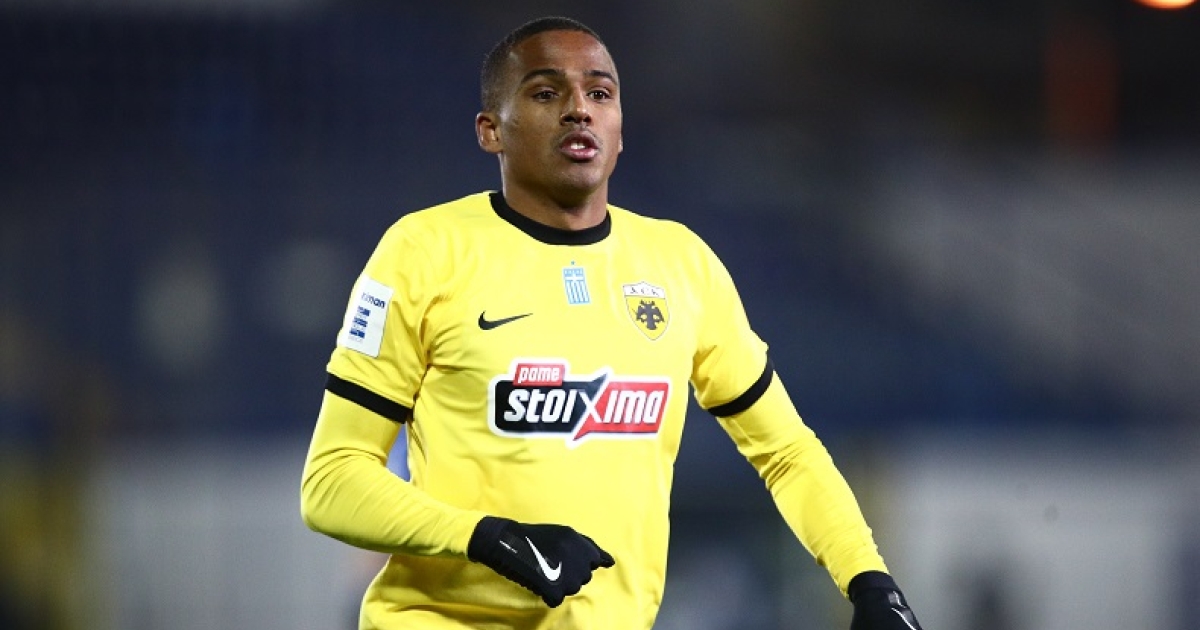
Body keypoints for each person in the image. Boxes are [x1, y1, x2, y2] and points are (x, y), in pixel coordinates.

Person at [300, 15, 926, 630]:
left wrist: (869, 580)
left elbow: (786, 451)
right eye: (546, 93)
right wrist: (488, 538)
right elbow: (332, 481)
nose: (579, 109)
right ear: (491, 131)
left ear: (620, 130)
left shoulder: (681, 263)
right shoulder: (423, 251)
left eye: (599, 94)